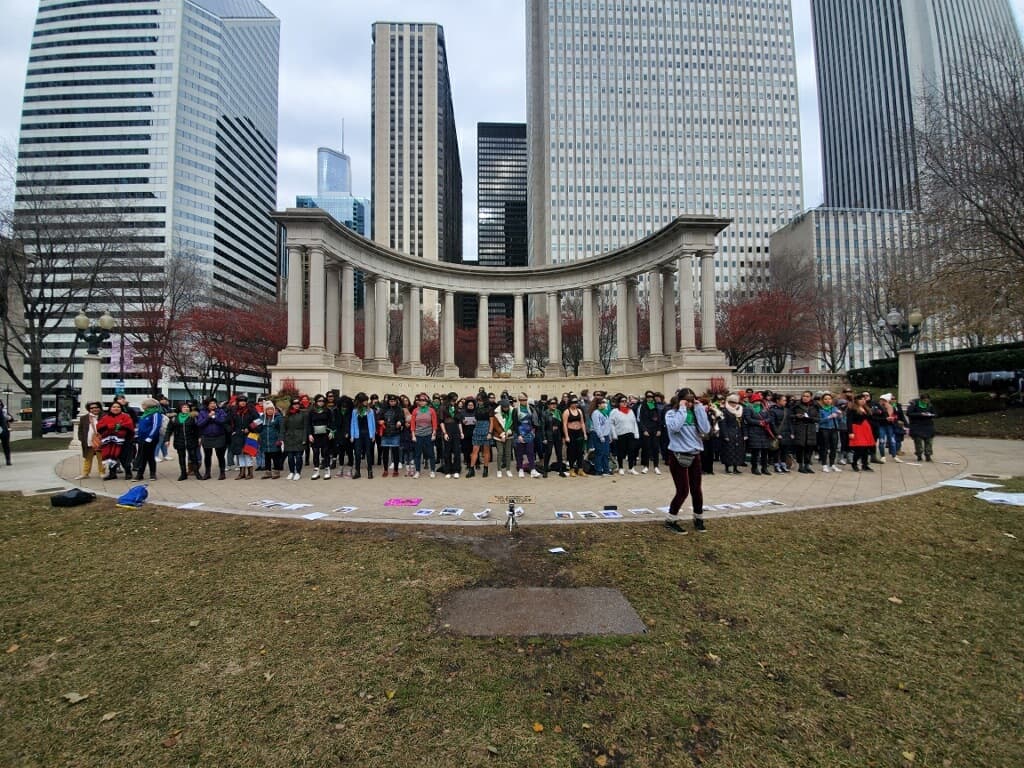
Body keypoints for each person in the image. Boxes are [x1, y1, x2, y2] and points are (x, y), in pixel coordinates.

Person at [665, 387, 711, 532]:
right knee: (683, 490)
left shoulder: (696, 412)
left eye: (692, 401)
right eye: (687, 401)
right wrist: (682, 409)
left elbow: (706, 429)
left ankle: (698, 518)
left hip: (695, 454)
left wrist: (699, 409)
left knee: (697, 489)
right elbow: (675, 428)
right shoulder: (671, 413)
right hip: (678, 455)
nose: (690, 404)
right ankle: (671, 519)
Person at [97, 400, 134, 480]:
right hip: (109, 442)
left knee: (125, 458)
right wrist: (109, 426)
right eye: (114, 407)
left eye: (118, 407)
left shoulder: (126, 416)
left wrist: (118, 427)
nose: (116, 408)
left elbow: (130, 426)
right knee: (111, 457)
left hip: (123, 441)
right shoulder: (105, 417)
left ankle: (128, 473)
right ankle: (112, 473)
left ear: (121, 408)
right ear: (110, 408)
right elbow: (99, 427)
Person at [164, 401, 199, 481]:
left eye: (187, 407)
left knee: (194, 457)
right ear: (180, 409)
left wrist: (199, 438)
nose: (186, 409)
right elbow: (169, 430)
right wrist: (167, 439)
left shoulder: (193, 417)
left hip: (191, 440)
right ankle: (183, 474)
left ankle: (197, 473)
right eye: (184, 407)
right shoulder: (174, 418)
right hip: (179, 440)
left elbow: (197, 429)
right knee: (181, 457)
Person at [196, 397, 229, 480]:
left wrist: (214, 417)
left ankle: (222, 473)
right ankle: (207, 473)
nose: (213, 405)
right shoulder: (202, 412)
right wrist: (208, 417)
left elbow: (223, 421)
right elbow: (199, 424)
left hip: (219, 436)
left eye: (214, 403)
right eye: (211, 403)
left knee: (220, 456)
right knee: (207, 456)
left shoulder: (221, 411)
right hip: (207, 437)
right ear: (207, 404)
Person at [228, 395, 260, 480]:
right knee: (240, 454)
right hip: (237, 435)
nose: (243, 402)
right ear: (238, 402)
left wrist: (249, 428)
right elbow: (227, 421)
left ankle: (250, 473)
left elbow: (258, 421)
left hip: (249, 435)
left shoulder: (251, 410)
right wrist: (232, 431)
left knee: (247, 453)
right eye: (241, 401)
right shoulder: (234, 410)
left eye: (244, 401)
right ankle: (241, 473)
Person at [133, 397, 165, 480]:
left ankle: (147, 474)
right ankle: (145, 474)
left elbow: (156, 426)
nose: (142, 405)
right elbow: (141, 427)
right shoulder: (145, 414)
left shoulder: (155, 414)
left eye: (143, 404)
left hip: (150, 439)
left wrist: (150, 437)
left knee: (147, 456)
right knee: (144, 456)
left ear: (149, 405)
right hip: (141, 438)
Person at [742, 392, 774, 476]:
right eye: (756, 400)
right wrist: (759, 422)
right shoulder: (748, 408)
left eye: (759, 400)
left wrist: (765, 421)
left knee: (765, 451)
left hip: (764, 432)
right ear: (752, 401)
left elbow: (770, 417)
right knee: (755, 452)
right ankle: (754, 467)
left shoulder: (764, 408)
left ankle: (764, 468)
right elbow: (748, 419)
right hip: (754, 432)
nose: (758, 402)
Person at [409, 392, 439, 478]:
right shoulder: (415, 410)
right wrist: (413, 435)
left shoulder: (431, 410)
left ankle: (432, 470)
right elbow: (412, 424)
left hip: (428, 434)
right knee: (417, 454)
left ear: (427, 401)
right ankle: (417, 471)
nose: (421, 402)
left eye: (423, 400)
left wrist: (434, 433)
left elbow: (434, 423)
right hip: (418, 435)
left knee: (431, 454)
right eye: (420, 400)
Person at [609, 394, 640, 475]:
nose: (624, 403)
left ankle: (631, 468)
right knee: (620, 452)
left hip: (630, 433)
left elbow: (634, 423)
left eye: (625, 401)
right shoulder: (615, 411)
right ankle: (621, 467)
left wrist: (636, 433)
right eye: (622, 401)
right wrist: (614, 434)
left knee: (631, 451)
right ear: (618, 402)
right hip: (620, 434)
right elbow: (611, 423)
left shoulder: (630, 411)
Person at [790, 390, 820, 474]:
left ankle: (807, 465)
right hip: (800, 428)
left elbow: (818, 418)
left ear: (811, 397)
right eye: (803, 396)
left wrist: (810, 418)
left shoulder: (815, 406)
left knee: (809, 448)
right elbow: (790, 415)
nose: (805, 398)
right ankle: (800, 466)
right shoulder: (796, 405)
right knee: (800, 448)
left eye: (807, 396)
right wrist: (796, 416)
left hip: (811, 428)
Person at [513, 393, 542, 478]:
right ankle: (520, 469)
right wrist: (518, 435)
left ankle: (532, 469)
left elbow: (534, 421)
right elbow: (514, 424)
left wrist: (533, 431)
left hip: (529, 433)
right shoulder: (515, 410)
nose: (523, 401)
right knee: (520, 453)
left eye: (525, 400)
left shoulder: (531, 409)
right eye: (521, 400)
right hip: (520, 433)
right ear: (519, 400)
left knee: (531, 452)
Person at [378, 394, 407, 477]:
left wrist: (400, 422)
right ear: (388, 401)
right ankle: (385, 470)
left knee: (395, 452)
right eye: (391, 401)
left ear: (396, 401)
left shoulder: (399, 409)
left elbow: (402, 419)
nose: (392, 402)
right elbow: (379, 418)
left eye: (394, 401)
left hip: (395, 433)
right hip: (385, 433)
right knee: (385, 453)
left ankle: (395, 470)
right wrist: (380, 421)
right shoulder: (383, 409)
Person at [350, 392, 376, 479]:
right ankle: (357, 471)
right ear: (360, 402)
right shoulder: (354, 411)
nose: (366, 402)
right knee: (357, 453)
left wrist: (373, 435)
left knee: (368, 453)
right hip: (358, 435)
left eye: (367, 400)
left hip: (368, 434)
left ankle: (370, 471)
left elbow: (373, 423)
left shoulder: (370, 411)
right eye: (365, 401)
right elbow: (353, 424)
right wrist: (352, 435)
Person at [846, 393, 876, 472]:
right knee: (860, 448)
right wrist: (850, 432)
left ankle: (865, 465)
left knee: (866, 448)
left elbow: (870, 418)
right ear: (856, 400)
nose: (863, 401)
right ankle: (854, 463)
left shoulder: (866, 408)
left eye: (864, 399)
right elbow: (849, 421)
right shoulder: (852, 409)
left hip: (866, 429)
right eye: (861, 399)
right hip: (857, 428)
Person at [874, 393, 907, 463]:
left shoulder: (893, 407)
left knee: (892, 441)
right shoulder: (878, 407)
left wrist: (894, 418)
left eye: (885, 400)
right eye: (882, 400)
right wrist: (886, 419)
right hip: (881, 426)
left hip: (890, 426)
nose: (883, 402)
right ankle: (883, 456)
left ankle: (894, 456)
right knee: (882, 441)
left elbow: (896, 415)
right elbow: (875, 417)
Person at [307, 394, 333, 480]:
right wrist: (310, 434)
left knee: (325, 453)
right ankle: (316, 471)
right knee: (315, 453)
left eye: (322, 401)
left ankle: (327, 470)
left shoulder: (328, 411)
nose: (321, 402)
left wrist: (331, 432)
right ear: (316, 401)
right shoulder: (311, 411)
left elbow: (331, 422)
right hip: (315, 435)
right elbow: (309, 424)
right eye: (319, 401)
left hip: (325, 435)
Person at [816, 392, 844, 472]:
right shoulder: (821, 409)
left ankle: (832, 464)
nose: (828, 400)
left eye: (829, 399)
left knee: (834, 447)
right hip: (824, 429)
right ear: (822, 400)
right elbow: (819, 421)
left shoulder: (834, 408)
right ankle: (824, 464)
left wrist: (840, 415)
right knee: (824, 447)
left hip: (834, 429)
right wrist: (829, 417)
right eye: (825, 399)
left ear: (832, 400)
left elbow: (840, 420)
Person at [637, 390, 663, 475]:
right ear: (646, 397)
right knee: (646, 449)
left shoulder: (656, 406)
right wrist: (644, 430)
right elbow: (640, 420)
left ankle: (656, 466)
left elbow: (659, 419)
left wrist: (659, 429)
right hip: (646, 431)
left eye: (651, 396)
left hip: (655, 430)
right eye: (648, 396)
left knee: (655, 449)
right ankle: (646, 466)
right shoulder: (642, 406)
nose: (650, 398)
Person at [75, 401, 103, 479]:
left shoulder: (104, 416)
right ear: (89, 409)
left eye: (96, 407)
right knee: (87, 458)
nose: (94, 409)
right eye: (92, 408)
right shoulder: (84, 418)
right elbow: (80, 430)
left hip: (100, 441)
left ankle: (102, 472)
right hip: (88, 441)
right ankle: (85, 473)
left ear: (99, 408)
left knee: (100, 458)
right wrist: (81, 439)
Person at [256, 401, 284, 479]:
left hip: (275, 440)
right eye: (268, 409)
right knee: (267, 457)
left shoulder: (278, 417)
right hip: (265, 441)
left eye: (271, 409)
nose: (270, 411)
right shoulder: (262, 418)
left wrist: (280, 439)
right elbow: (254, 425)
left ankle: (276, 471)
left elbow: (282, 429)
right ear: (265, 410)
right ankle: (267, 472)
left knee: (275, 457)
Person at [282, 397, 308, 480]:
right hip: (289, 438)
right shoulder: (287, 414)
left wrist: (304, 438)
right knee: (290, 457)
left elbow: (305, 428)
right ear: (292, 405)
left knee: (298, 457)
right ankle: (291, 472)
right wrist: (282, 438)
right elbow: (283, 428)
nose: (296, 406)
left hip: (299, 437)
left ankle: (298, 472)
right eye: (295, 404)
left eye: (298, 404)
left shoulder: (303, 414)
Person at [718, 394, 745, 474]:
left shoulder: (739, 410)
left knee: (737, 451)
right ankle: (727, 467)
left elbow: (742, 422)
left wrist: (744, 433)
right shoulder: (724, 410)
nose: (734, 404)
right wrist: (725, 435)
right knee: (728, 450)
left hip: (738, 433)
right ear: (729, 402)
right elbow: (723, 424)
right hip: (729, 432)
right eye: (732, 402)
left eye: (736, 402)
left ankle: (735, 467)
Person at [562, 396, 588, 477]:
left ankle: (580, 469)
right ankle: (571, 469)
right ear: (570, 403)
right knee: (571, 452)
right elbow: (564, 424)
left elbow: (582, 422)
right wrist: (566, 436)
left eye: (576, 403)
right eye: (573, 403)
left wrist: (584, 433)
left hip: (579, 432)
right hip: (571, 432)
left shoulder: (579, 411)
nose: (575, 404)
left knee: (580, 451)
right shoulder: (566, 412)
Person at [906, 393, 937, 462]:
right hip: (917, 426)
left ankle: (928, 455)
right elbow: (909, 413)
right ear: (921, 399)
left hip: (928, 426)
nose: (926, 401)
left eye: (927, 400)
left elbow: (935, 414)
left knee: (929, 441)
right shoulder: (914, 404)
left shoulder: (930, 405)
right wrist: (920, 414)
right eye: (925, 400)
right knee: (918, 441)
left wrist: (931, 414)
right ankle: (919, 455)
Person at [588, 394, 612, 476]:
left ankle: (606, 469)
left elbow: (608, 424)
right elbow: (597, 425)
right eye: (603, 403)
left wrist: (609, 435)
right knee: (600, 453)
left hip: (606, 435)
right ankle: (599, 469)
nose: (605, 405)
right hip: (598, 435)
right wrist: (600, 435)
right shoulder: (595, 413)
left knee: (606, 453)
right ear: (598, 404)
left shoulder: (605, 413)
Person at [491, 397, 515, 478]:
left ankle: (508, 469)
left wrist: (509, 431)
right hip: (499, 436)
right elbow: (496, 425)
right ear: (501, 406)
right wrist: (502, 434)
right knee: (500, 453)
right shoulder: (496, 412)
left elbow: (514, 423)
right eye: (504, 407)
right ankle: (499, 470)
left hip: (509, 435)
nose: (506, 408)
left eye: (507, 407)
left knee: (508, 453)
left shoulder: (513, 412)